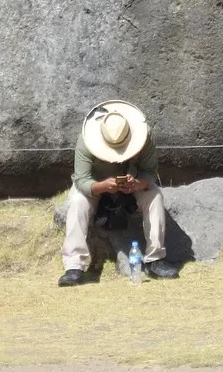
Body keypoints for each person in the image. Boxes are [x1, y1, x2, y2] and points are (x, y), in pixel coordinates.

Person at [58, 100, 180, 287]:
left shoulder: (144, 137)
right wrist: (103, 186)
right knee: (77, 201)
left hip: (132, 185)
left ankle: (155, 259)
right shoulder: (86, 140)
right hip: (96, 184)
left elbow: (150, 172)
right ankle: (74, 265)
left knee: (154, 196)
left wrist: (138, 184)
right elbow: (82, 180)